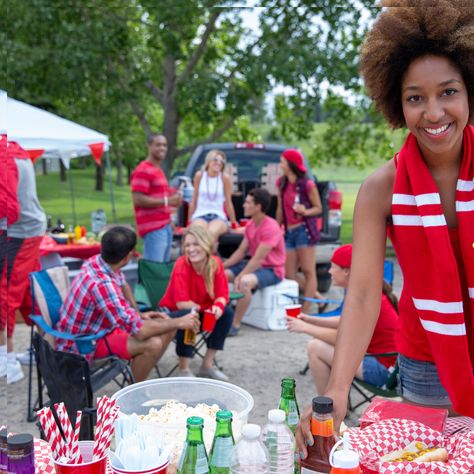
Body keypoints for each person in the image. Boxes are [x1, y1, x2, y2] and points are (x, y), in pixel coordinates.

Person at [296, 1, 474, 457]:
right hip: (427, 359)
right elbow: (361, 294)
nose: (433, 113)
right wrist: (337, 390)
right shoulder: (380, 189)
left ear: (469, 90)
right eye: (416, 97)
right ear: (397, 104)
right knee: (429, 464)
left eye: (448, 92)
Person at [56, 226, 200, 383]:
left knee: (167, 327)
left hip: (100, 330)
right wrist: (179, 322)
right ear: (127, 257)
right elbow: (139, 331)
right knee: (153, 344)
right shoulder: (102, 284)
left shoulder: (99, 261)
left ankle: (138, 378)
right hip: (83, 344)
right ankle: (132, 391)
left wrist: (137, 313)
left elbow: (122, 283)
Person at [287, 244, 399, 395]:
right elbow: (344, 321)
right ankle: (333, 403)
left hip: (385, 371)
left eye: (333, 267)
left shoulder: (365, 299)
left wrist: (304, 328)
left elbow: (345, 341)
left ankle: (327, 407)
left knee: (315, 347)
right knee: (319, 341)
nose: (329, 271)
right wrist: (310, 320)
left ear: (346, 271)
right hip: (382, 361)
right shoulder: (366, 292)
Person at [159, 225, 234, 381]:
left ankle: (207, 365)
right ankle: (184, 369)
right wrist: (209, 308)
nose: (191, 249)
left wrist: (218, 307)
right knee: (190, 315)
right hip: (174, 314)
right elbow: (182, 304)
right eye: (187, 245)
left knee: (227, 313)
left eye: (196, 244)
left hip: (201, 311)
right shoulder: (181, 264)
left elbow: (222, 295)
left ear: (206, 245)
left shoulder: (215, 263)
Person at [0, 141, 46, 384]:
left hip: (18, 232)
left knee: (4, 295)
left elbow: (8, 208)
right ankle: (46, 351)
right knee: (30, 292)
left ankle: (7, 360)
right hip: (26, 230)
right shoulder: (13, 148)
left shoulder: (4, 156)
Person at [224, 188, 286, 336]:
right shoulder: (251, 224)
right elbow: (241, 252)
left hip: (272, 269)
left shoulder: (270, 227)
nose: (244, 205)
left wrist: (241, 275)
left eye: (248, 202)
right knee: (222, 275)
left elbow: (259, 259)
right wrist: (221, 266)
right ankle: (223, 317)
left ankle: (235, 324)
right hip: (255, 265)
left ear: (258, 207)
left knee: (244, 282)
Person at [276, 149, 323, 313]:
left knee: (309, 271)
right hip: (289, 232)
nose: (280, 164)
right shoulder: (281, 183)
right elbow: (280, 208)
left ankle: (306, 309)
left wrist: (305, 211)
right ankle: (318, 298)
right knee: (289, 274)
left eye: (282, 161)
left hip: (304, 231)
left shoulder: (307, 184)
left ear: (290, 164)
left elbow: (318, 208)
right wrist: (278, 227)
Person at [130, 133, 182, 262]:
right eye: (158, 145)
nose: (162, 148)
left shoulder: (158, 170)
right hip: (153, 229)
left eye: (164, 145)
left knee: (161, 271)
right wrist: (167, 201)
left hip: (165, 226)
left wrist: (172, 201)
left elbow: (160, 194)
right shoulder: (143, 170)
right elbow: (138, 199)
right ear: (149, 146)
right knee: (153, 271)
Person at [187, 149, 237, 242]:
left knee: (211, 233)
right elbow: (194, 200)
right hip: (200, 215)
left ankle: (211, 256)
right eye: (215, 160)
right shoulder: (200, 176)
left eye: (221, 161)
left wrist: (234, 223)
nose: (218, 163)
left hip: (218, 216)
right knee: (198, 234)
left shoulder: (224, 178)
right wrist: (189, 221)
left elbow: (228, 202)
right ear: (209, 161)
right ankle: (204, 256)